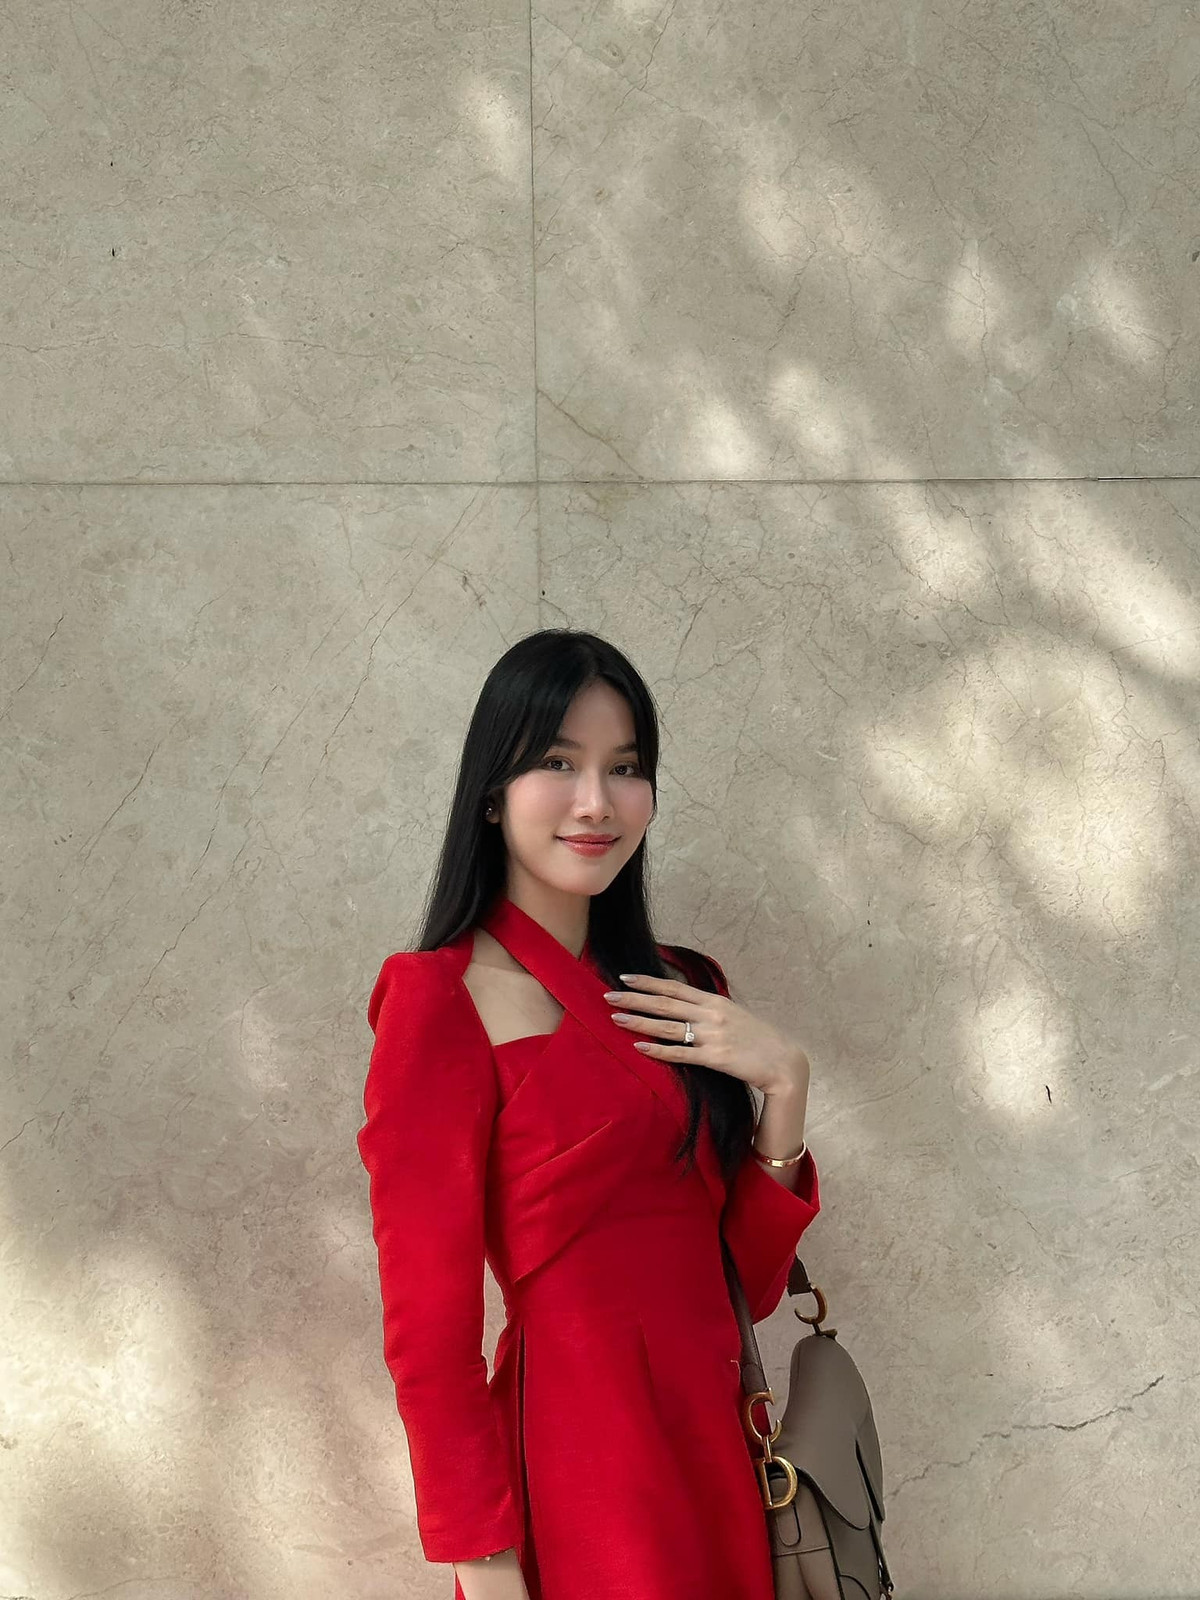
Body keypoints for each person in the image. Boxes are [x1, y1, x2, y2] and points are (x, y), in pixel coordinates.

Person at [356, 628, 820, 1600]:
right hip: (580, 1462)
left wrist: (784, 1086)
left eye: (626, 767)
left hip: (717, 1453)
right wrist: (486, 1566)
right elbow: (430, 1336)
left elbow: (745, 1287)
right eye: (559, 762)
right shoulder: (436, 998)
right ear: (493, 790)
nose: (597, 801)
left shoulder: (684, 989)